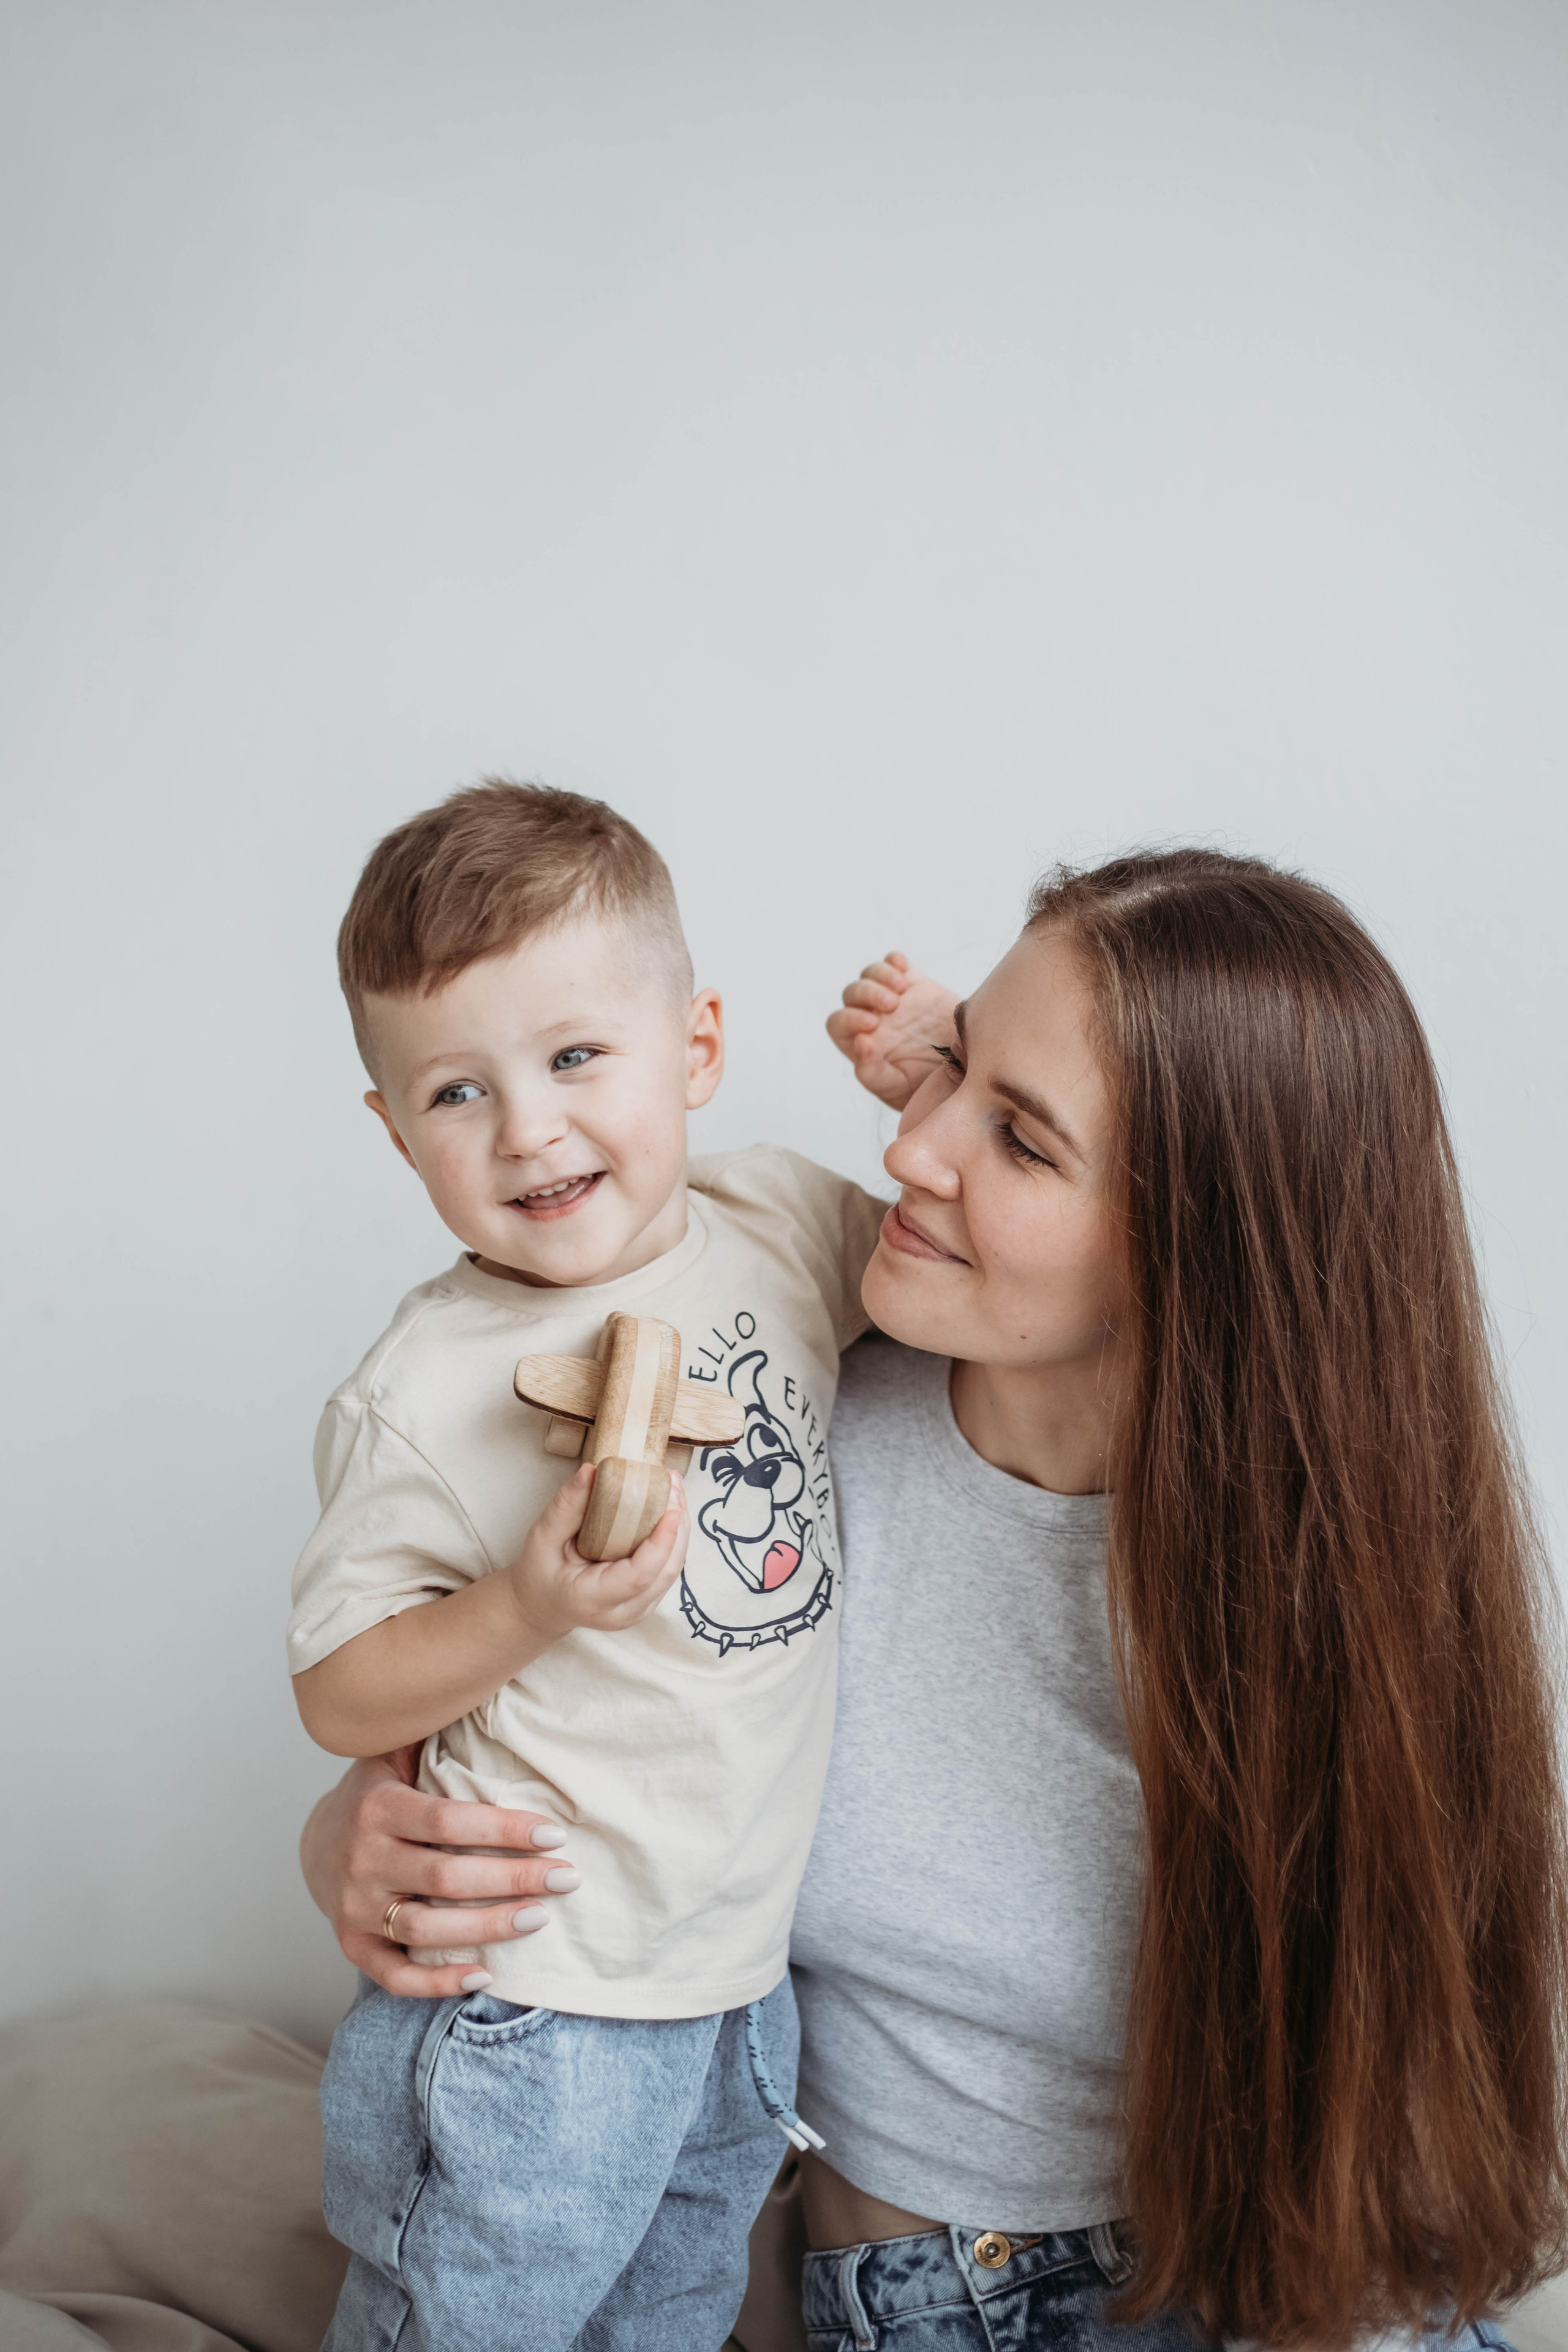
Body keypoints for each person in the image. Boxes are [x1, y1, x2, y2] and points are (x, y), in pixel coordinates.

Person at [302, 850, 1567, 2351]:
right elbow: (495, 1701)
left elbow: (1391, 2111)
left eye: (1020, 1141)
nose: (909, 1150)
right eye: (949, 1068)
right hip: (935, 2295)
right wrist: (348, 1843)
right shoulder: (768, 1406)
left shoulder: (1309, 1571)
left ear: (1199, 1242)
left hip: (1275, 2280)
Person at [289, 782, 884, 2350]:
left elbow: (970, 1242)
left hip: (734, 1991)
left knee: (670, 2319)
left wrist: (929, 1066)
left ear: (692, 1047)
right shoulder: (417, 1390)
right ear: (392, 1129)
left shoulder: (779, 1225)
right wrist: (527, 1608)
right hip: (533, 1999)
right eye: (455, 1094)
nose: (528, 1128)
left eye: (572, 1059)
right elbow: (341, 1694)